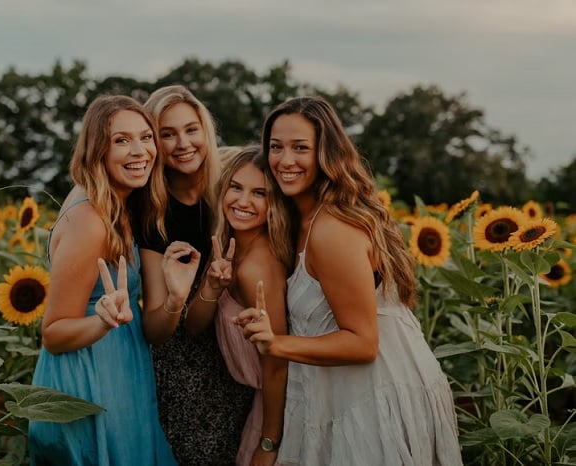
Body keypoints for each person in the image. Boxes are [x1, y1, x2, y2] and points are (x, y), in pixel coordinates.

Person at [236, 96, 463, 465]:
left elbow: (362, 343)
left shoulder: (331, 229)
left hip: (375, 396)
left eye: (300, 148)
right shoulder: (304, 220)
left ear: (326, 153)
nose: (284, 160)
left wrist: (276, 343)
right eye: (276, 147)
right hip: (349, 394)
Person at [28, 94, 196, 466]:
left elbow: (150, 325)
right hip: (89, 380)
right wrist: (102, 321)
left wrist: (173, 297)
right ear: (97, 150)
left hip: (120, 369)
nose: (140, 151)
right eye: (121, 140)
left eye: (146, 137)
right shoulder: (90, 220)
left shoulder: (121, 205)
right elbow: (53, 334)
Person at [137, 85, 254, 465]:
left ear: (207, 131)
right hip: (188, 369)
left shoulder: (234, 189)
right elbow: (155, 329)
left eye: (191, 129)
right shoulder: (152, 211)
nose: (182, 143)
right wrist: (174, 298)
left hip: (245, 345)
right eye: (167, 134)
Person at [186, 146, 291, 466]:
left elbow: (276, 361)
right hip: (251, 403)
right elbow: (193, 326)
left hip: (274, 410)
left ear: (275, 204)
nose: (243, 201)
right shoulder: (228, 248)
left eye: (259, 193)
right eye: (236, 187)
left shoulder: (257, 265)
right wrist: (212, 286)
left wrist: (269, 443)